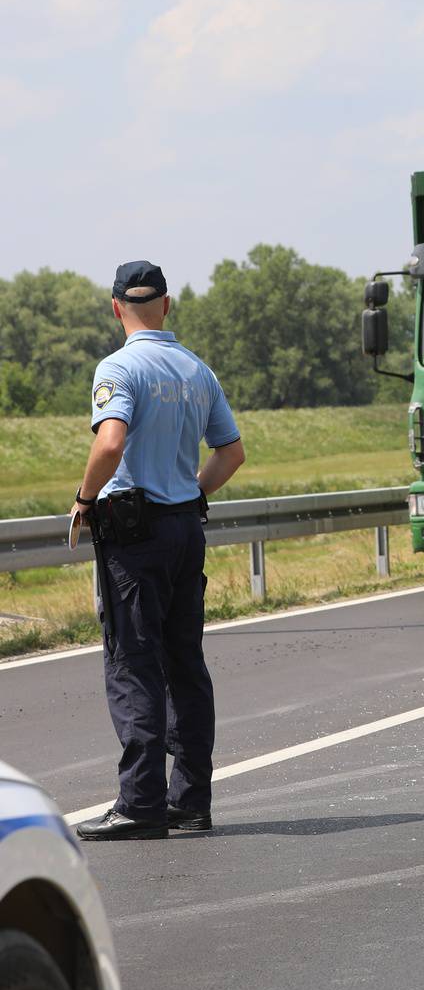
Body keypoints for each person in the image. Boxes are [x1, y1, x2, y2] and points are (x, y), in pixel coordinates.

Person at [71, 261, 246, 841]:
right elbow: (231, 454)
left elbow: (111, 440)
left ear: (115, 307)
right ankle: (190, 800)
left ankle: (140, 804)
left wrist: (84, 497)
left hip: (134, 535)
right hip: (183, 528)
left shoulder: (118, 368)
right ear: (166, 306)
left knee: (133, 663)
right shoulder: (198, 370)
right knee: (185, 664)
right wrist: (188, 492)